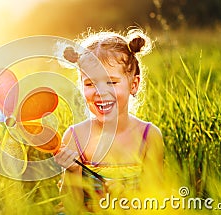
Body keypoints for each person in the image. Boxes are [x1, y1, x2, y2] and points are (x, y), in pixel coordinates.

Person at [54, 29, 164, 213]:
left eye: (111, 82)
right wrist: (72, 172)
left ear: (133, 85)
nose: (100, 92)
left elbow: (156, 200)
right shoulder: (76, 137)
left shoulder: (149, 136)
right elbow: (71, 207)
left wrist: (129, 199)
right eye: (89, 84)